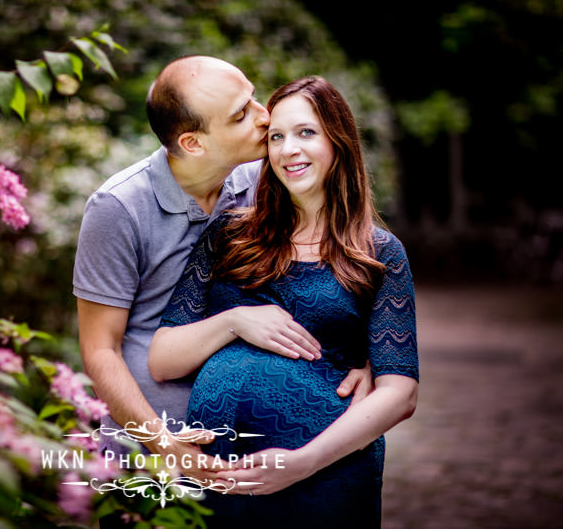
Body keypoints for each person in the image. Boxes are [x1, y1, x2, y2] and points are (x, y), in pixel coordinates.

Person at [73, 57, 371, 488]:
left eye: (252, 97)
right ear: (194, 144)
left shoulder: (264, 181)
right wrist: (163, 445)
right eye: (241, 114)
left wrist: (366, 357)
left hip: (249, 447)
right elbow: (100, 350)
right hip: (151, 456)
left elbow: (335, 264)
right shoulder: (118, 208)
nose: (264, 115)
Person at [148, 76, 419, 527]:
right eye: (276, 136)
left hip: (326, 477)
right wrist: (235, 321)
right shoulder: (228, 235)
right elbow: (163, 359)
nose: (288, 149)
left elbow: (401, 392)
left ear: (339, 140)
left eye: (306, 133)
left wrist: (304, 461)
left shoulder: (379, 252)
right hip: (222, 477)